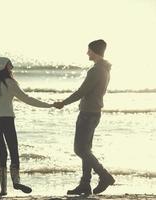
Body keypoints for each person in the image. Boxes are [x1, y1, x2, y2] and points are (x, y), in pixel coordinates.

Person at [0, 57, 54, 196]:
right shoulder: (10, 83)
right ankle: (16, 181)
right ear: (4, 66)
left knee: (2, 151)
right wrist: (49, 105)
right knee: (13, 150)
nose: (12, 67)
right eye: (10, 65)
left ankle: (3, 189)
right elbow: (27, 99)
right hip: (7, 120)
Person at [54, 39, 115, 195]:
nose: (87, 53)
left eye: (88, 50)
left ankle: (104, 175)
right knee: (86, 149)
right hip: (94, 112)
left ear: (94, 51)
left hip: (88, 113)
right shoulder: (104, 69)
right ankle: (85, 184)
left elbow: (82, 92)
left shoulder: (96, 70)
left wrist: (63, 103)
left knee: (80, 149)